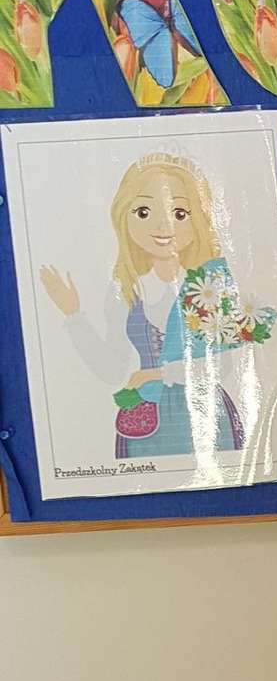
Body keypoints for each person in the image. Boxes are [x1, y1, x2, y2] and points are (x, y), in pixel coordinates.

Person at [39, 152, 259, 458]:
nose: (163, 225)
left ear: (199, 218)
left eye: (179, 213)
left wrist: (155, 375)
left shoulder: (210, 283)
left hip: (206, 416)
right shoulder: (127, 289)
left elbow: (222, 365)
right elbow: (112, 368)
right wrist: (73, 315)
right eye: (143, 211)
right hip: (146, 422)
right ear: (124, 216)